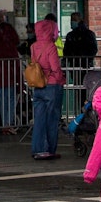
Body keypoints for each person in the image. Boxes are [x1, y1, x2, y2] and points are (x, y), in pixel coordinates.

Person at [30, 14, 66, 160]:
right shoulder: (51, 46)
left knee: (39, 119)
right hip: (52, 86)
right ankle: (48, 149)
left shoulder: (34, 46)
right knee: (52, 118)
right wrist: (60, 79)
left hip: (38, 84)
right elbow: (55, 67)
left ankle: (38, 148)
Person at [0, 11, 22, 134]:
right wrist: (20, 81)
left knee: (3, 100)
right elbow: (16, 65)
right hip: (10, 77)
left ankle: (5, 124)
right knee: (11, 100)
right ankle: (8, 123)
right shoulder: (11, 48)